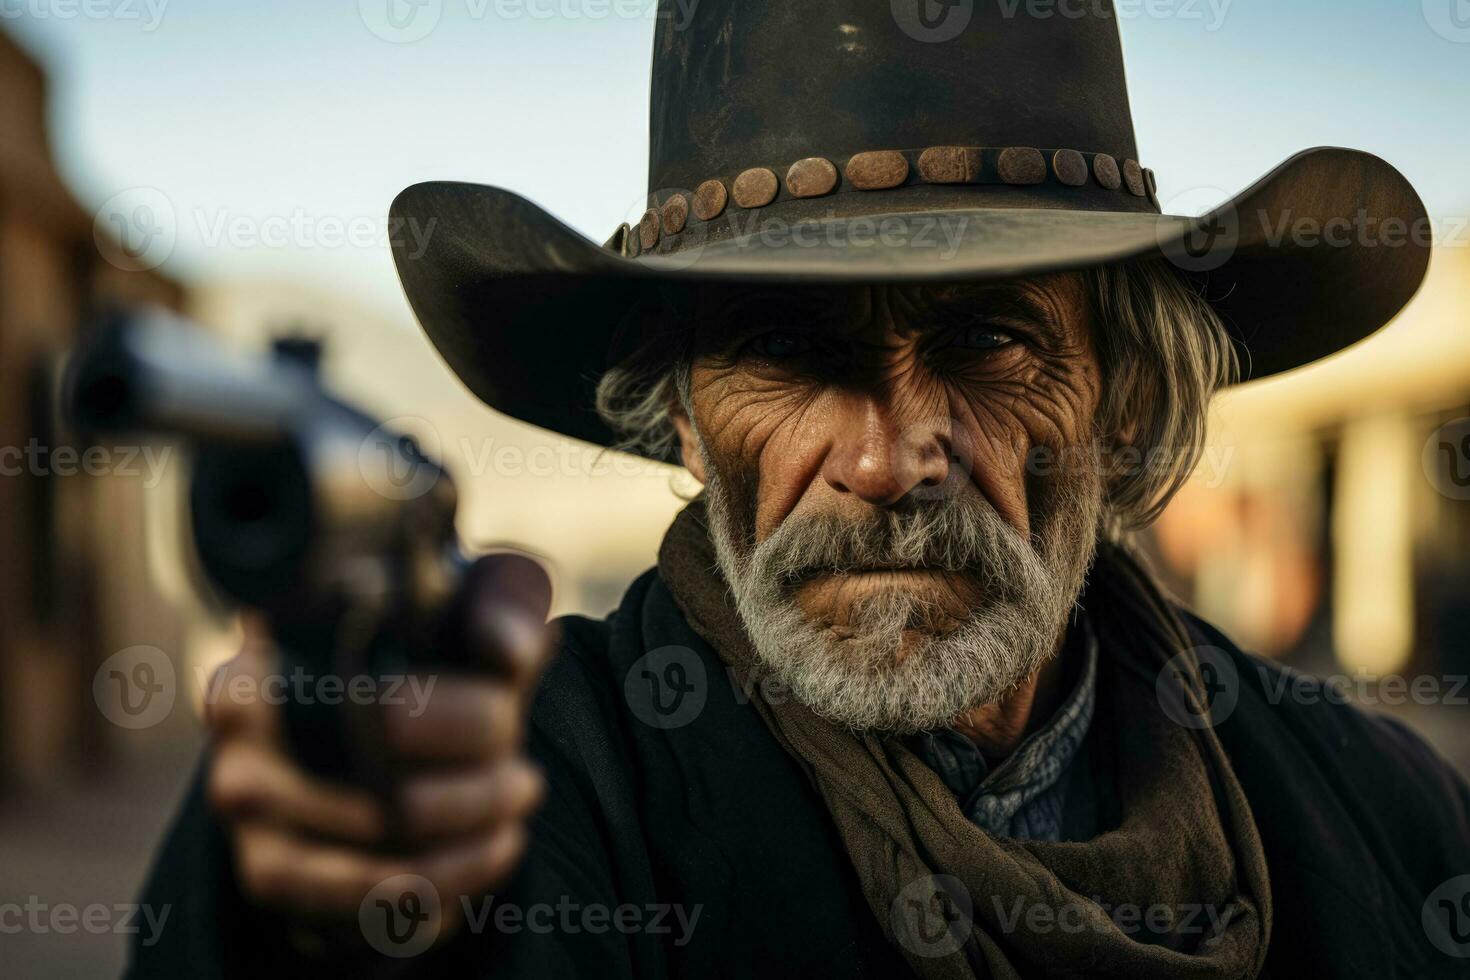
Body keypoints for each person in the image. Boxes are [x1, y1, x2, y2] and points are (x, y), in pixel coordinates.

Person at [131, 2, 1470, 977]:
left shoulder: (1371, 808)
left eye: (988, 343)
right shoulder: (538, 788)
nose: (887, 461)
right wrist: (300, 906)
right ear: (690, 422)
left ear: (1117, 402)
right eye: (783, 350)